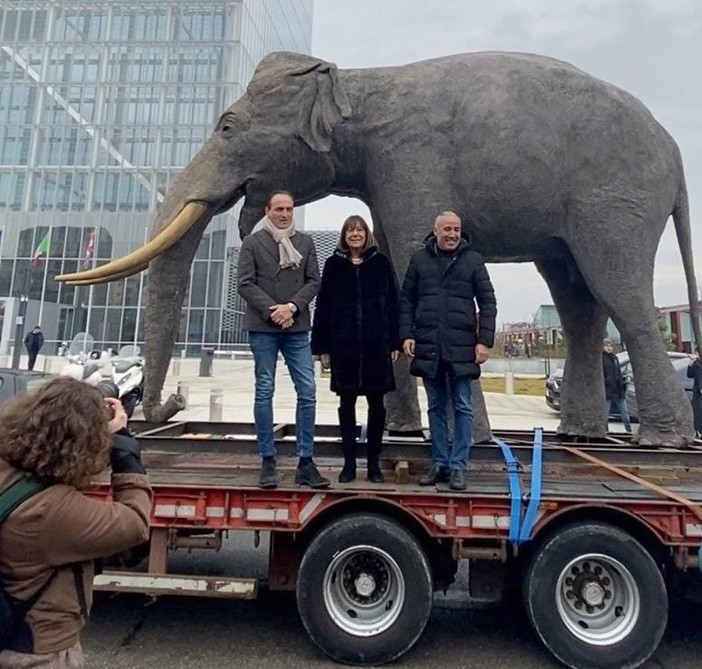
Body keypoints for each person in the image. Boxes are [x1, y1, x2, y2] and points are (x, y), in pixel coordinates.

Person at [0, 377, 152, 668]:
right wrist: (124, 450)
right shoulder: (51, 511)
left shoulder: (8, 471)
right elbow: (135, 523)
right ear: (85, 444)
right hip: (38, 651)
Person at [237, 190, 329, 490]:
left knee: (308, 389)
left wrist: (291, 307)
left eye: (289, 209)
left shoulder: (305, 242)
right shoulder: (252, 242)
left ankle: (306, 460)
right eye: (279, 209)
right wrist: (272, 310)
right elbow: (245, 283)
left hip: (296, 325)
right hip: (264, 327)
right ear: (268, 210)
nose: (285, 214)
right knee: (264, 390)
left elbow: (314, 280)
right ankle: (267, 459)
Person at [399, 211, 497, 491]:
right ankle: (440, 462)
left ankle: (458, 466)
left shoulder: (473, 261)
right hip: (429, 345)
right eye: (447, 229)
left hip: (462, 346)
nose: (452, 234)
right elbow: (407, 300)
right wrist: (406, 334)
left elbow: (488, 303)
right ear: (436, 231)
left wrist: (484, 341)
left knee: (464, 407)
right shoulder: (419, 259)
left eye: (456, 229)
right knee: (435, 407)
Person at [311, 215, 400, 483]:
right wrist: (322, 346)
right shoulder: (333, 265)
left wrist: (394, 341)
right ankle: (349, 463)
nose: (355, 234)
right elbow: (323, 306)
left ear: (366, 234)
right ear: (344, 236)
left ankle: (373, 464)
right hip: (344, 346)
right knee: (346, 403)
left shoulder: (381, 264)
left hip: (376, 346)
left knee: (377, 404)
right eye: (350, 230)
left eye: (359, 229)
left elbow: (394, 304)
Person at [602, 338, 632, 433]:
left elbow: (618, 372)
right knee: (605, 413)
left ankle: (629, 430)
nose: (609, 348)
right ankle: (604, 431)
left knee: (625, 412)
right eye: (607, 346)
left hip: (618, 391)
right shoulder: (601, 359)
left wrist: (621, 385)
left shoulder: (615, 358)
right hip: (607, 391)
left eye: (611, 346)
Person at [687, 353, 702, 438]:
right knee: (698, 411)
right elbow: (689, 374)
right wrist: (691, 362)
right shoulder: (697, 364)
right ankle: (698, 430)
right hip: (698, 393)